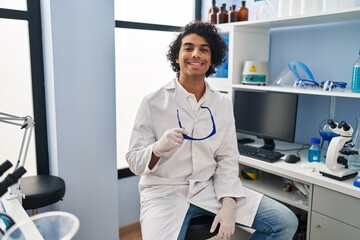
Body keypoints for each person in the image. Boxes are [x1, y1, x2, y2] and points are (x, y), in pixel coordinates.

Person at [126, 21, 298, 240]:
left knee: (285, 222)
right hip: (164, 192)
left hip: (210, 189)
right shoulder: (153, 102)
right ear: (177, 56)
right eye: (188, 48)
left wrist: (228, 202)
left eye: (204, 49)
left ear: (211, 59)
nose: (196, 54)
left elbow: (227, 157)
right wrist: (157, 149)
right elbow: (134, 161)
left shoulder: (222, 103)